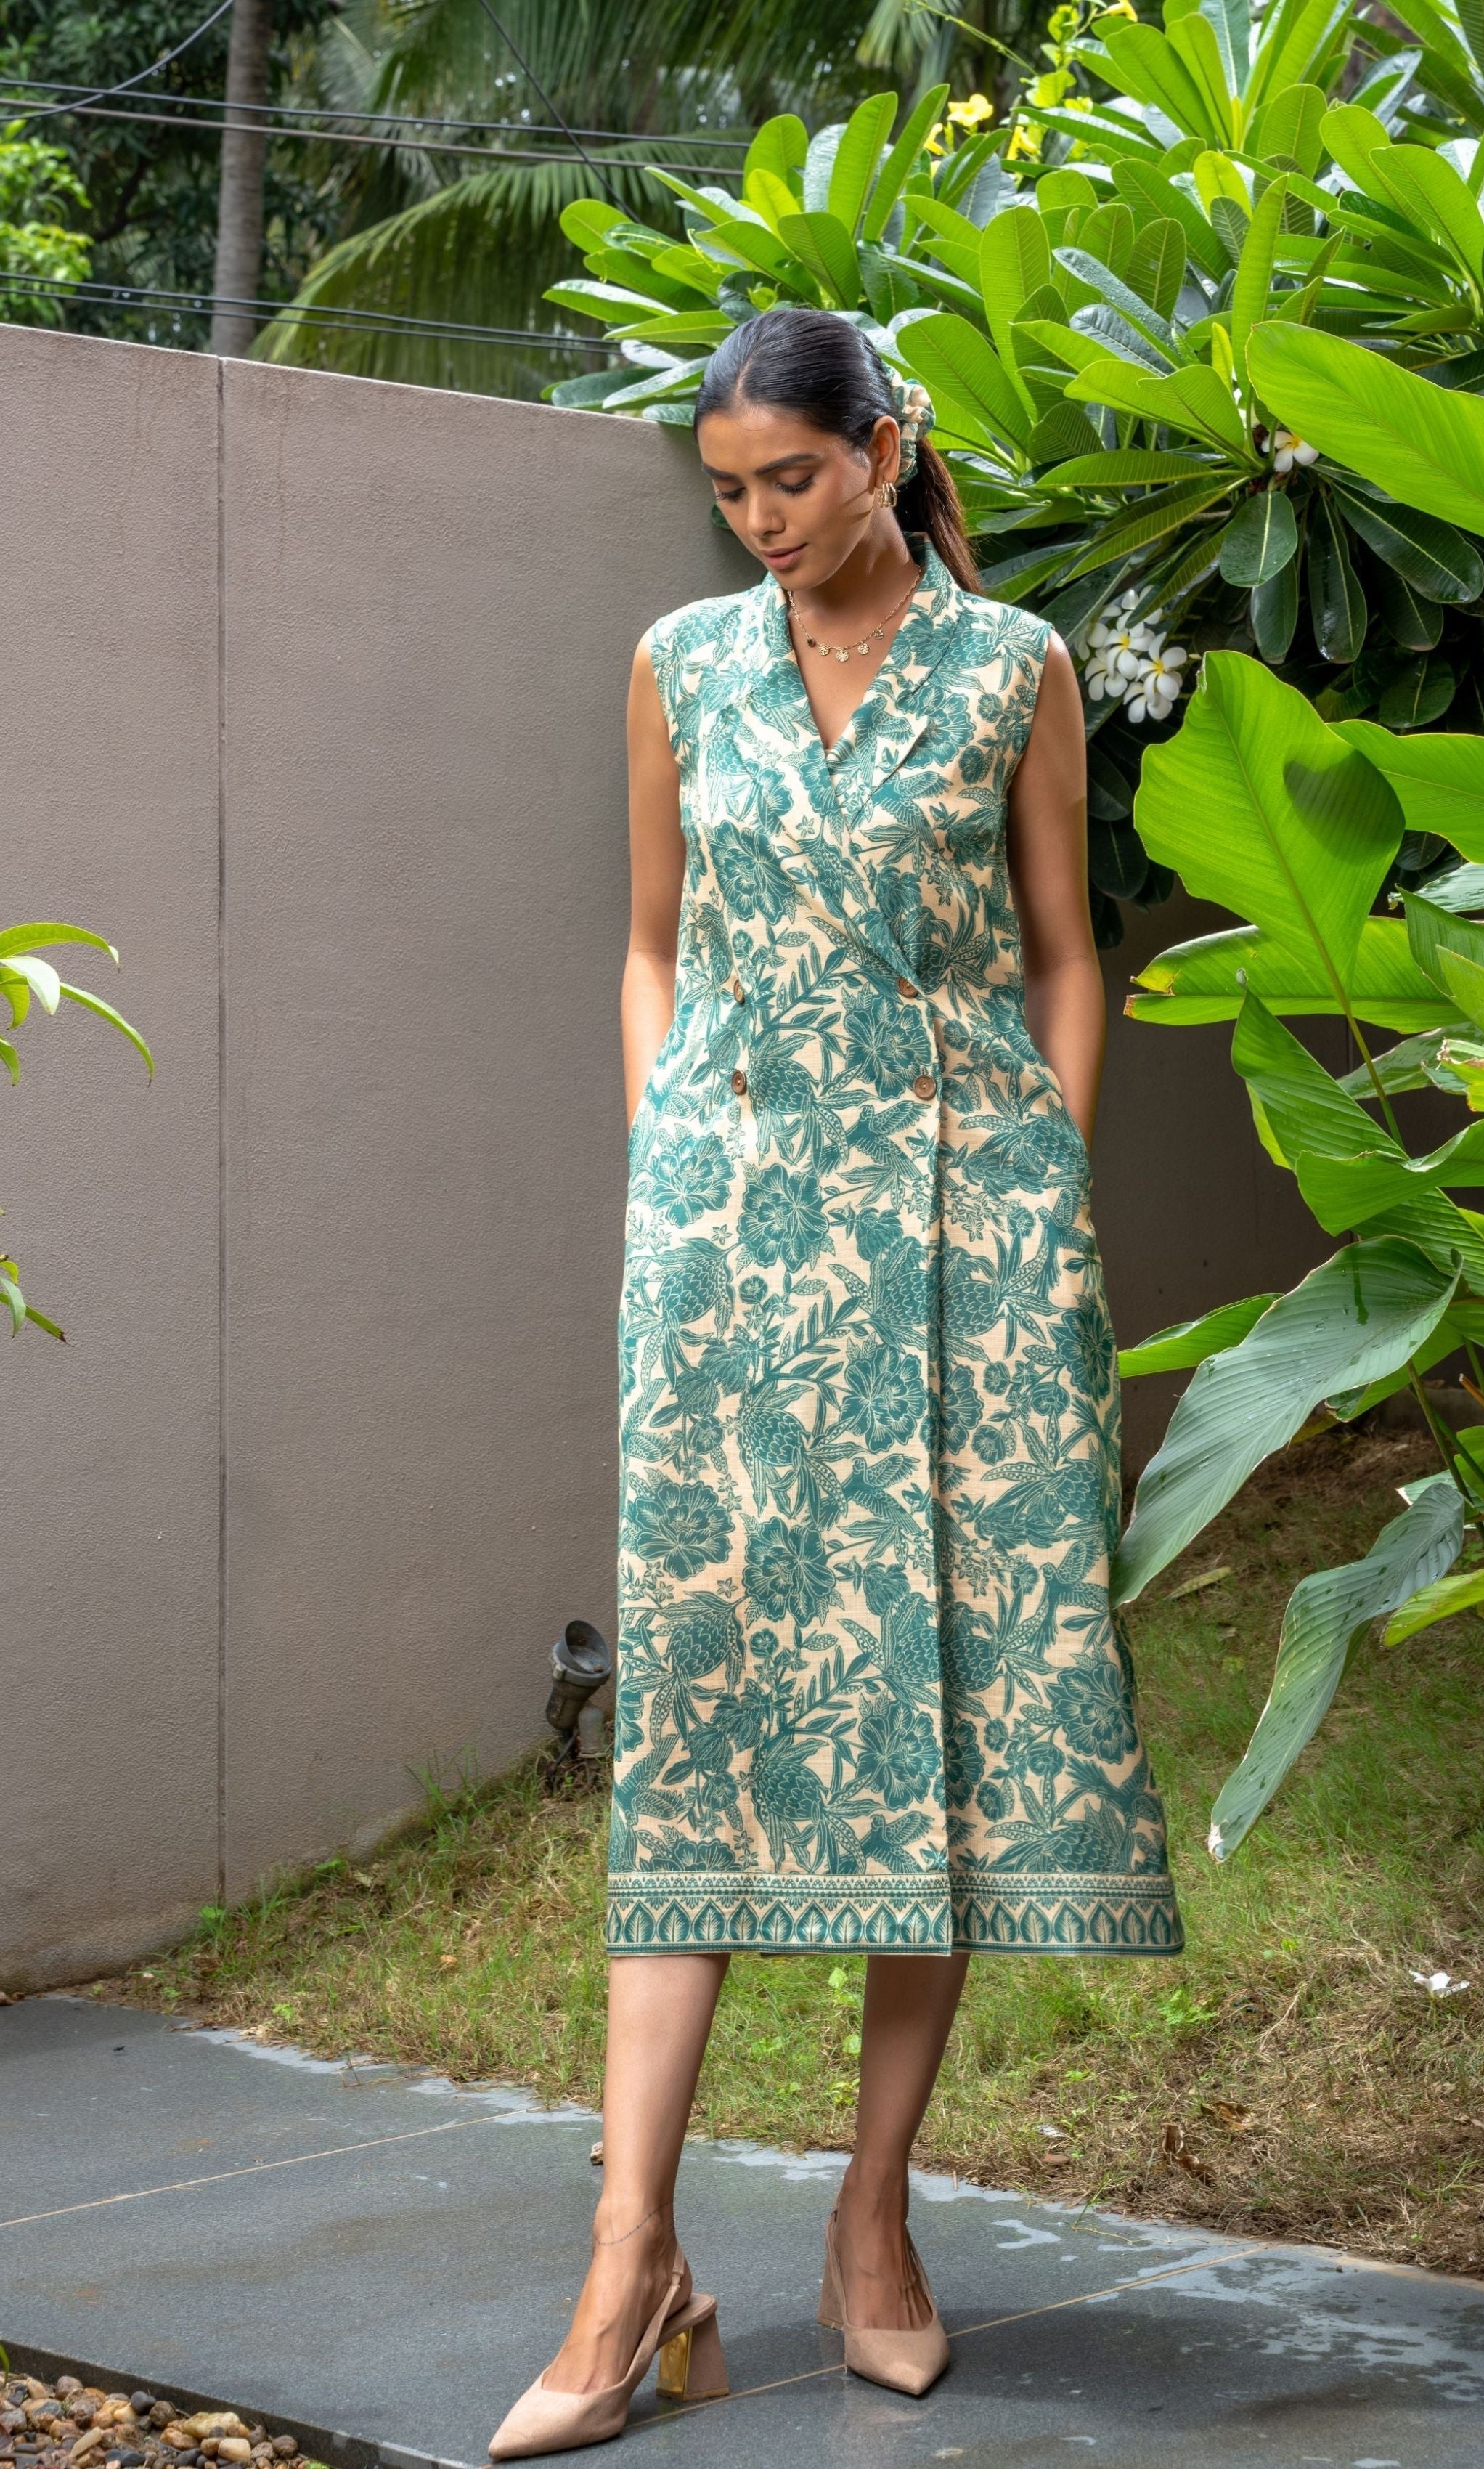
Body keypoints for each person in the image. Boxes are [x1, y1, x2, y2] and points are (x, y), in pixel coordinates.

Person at [489, 304, 1182, 2458]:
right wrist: (666, 1160)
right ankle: (630, 2258)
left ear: (891, 449)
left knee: (938, 1716)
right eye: (731, 495)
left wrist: (1049, 1194)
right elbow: (650, 938)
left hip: (971, 1247)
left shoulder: (1019, 671)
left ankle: (873, 2222)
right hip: (724, 1249)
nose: (764, 523)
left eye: (795, 478)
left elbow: (1070, 952)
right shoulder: (678, 667)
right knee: (697, 1711)